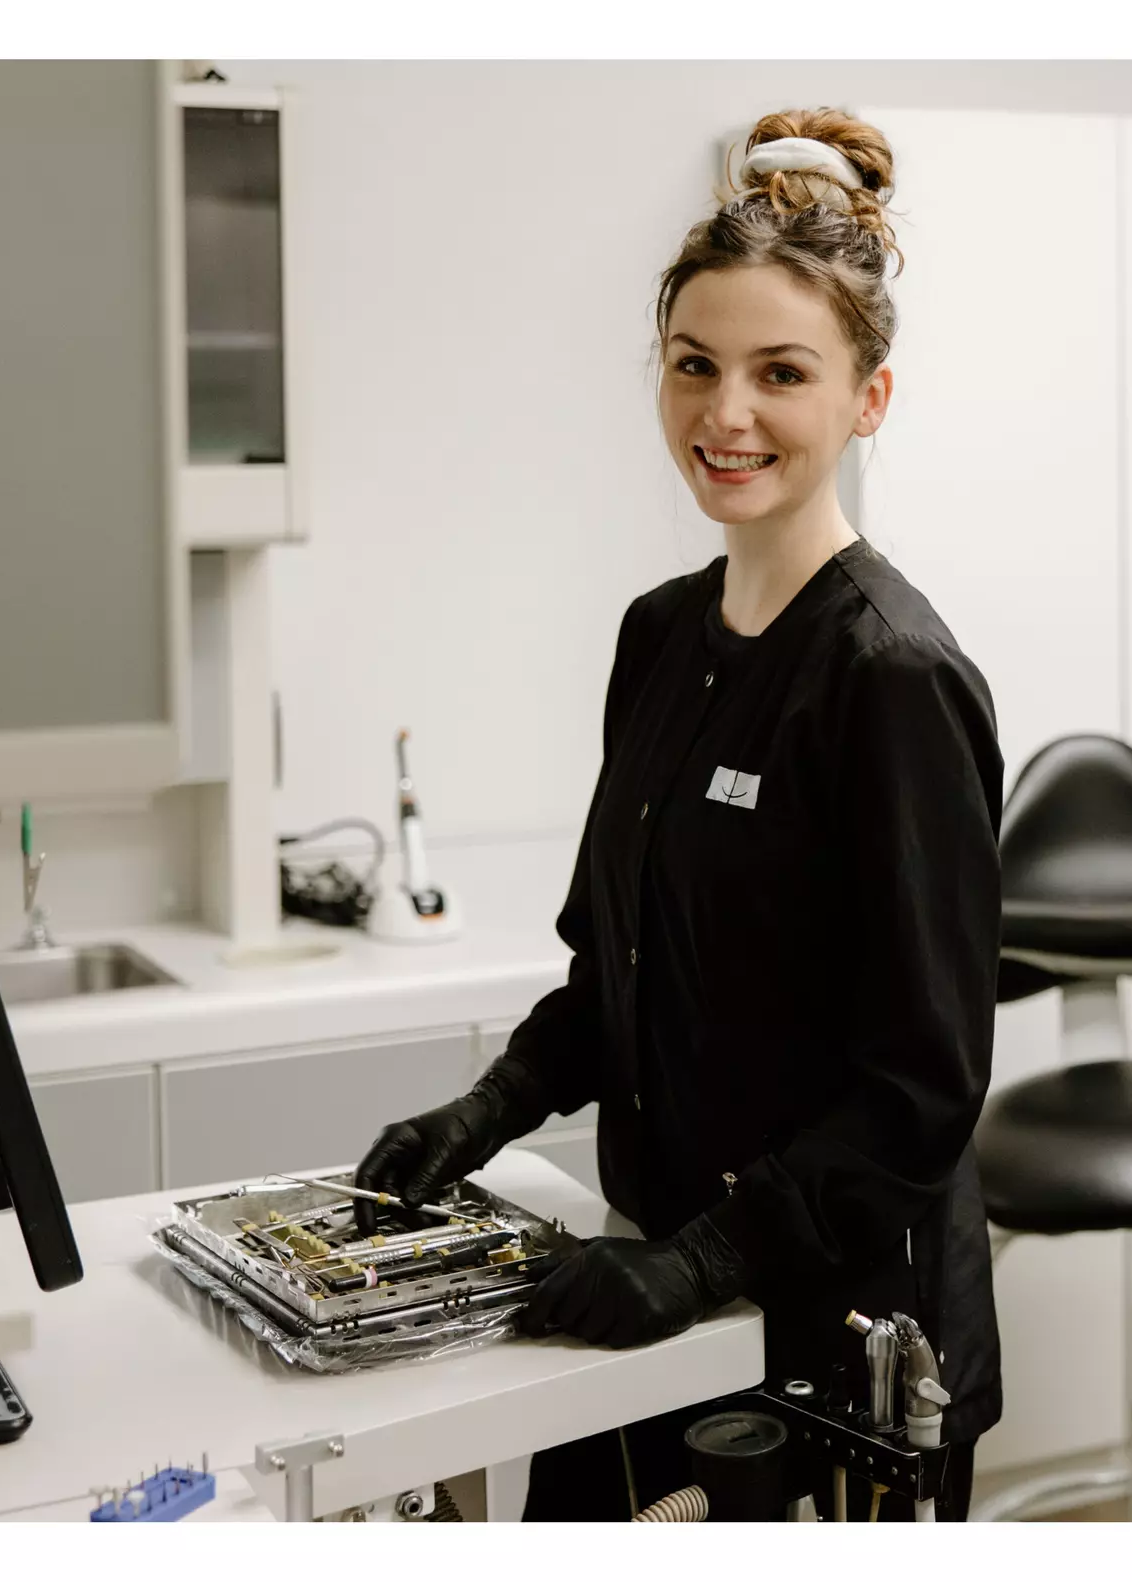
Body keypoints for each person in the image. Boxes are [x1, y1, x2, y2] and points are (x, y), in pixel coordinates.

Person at [352, 107, 1004, 1522]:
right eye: (694, 366)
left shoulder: (891, 680)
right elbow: (620, 976)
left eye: (783, 373)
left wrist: (706, 1259)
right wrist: (489, 1107)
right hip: (652, 1280)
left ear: (867, 398)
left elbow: (921, 1089)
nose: (727, 415)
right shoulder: (661, 637)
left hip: (835, 1333)